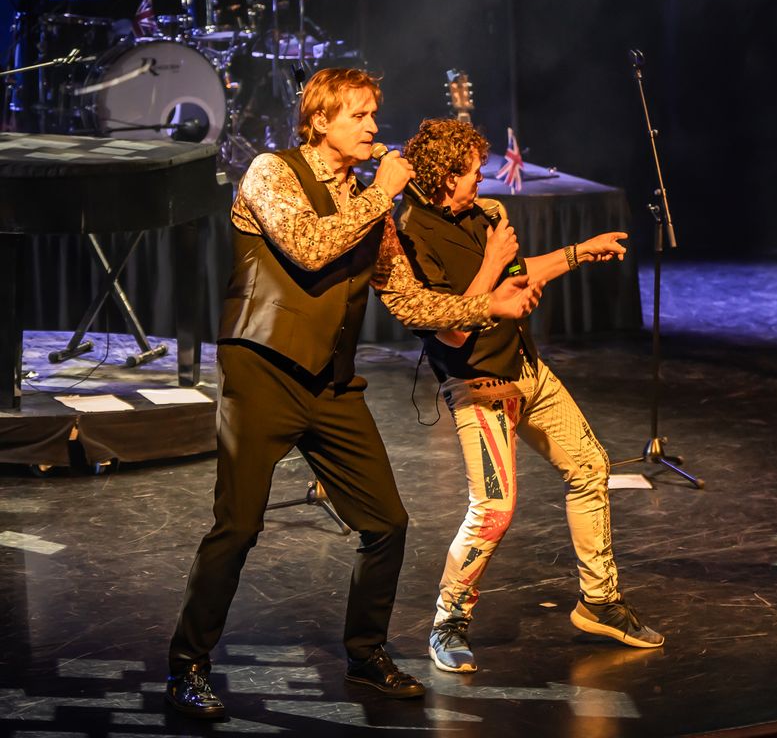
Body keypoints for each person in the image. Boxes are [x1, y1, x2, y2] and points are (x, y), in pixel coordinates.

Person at [164, 69, 541, 719]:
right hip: (262, 370)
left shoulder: (371, 202)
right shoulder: (272, 173)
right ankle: (187, 665)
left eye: (373, 114)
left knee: (386, 523)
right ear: (319, 122)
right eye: (359, 115)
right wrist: (381, 194)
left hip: (331, 384)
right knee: (239, 526)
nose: (373, 126)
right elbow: (310, 248)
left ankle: (366, 656)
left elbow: (407, 298)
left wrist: (487, 305)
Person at [397, 119, 664, 674]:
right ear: (446, 176)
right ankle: (448, 620)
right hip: (479, 385)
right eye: (473, 173)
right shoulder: (413, 234)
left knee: (590, 466)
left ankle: (599, 603)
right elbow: (452, 329)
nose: (482, 180)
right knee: (494, 509)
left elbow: (519, 273)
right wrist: (495, 267)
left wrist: (579, 251)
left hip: (525, 368)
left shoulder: (482, 214)